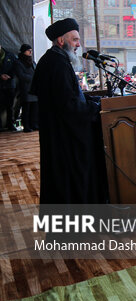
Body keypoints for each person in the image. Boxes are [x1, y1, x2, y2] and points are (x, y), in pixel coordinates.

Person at [31, 18, 108, 204]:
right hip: (64, 139)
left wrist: (92, 100)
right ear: (61, 41)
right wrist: (96, 107)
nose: (78, 45)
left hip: (60, 136)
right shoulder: (56, 64)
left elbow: (71, 96)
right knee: (68, 183)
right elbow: (68, 106)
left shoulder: (56, 60)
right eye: (74, 40)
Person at [12, 44, 38, 132]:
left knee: (34, 108)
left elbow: (36, 71)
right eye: (28, 50)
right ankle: (26, 126)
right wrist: (33, 78)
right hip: (25, 88)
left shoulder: (32, 62)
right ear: (24, 52)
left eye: (31, 50)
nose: (30, 52)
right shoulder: (18, 62)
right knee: (26, 108)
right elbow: (21, 75)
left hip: (33, 88)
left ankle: (33, 124)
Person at [0, 43, 17, 131]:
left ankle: (10, 124)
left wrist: (9, 76)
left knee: (10, 106)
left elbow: (15, 67)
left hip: (9, 84)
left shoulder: (9, 55)